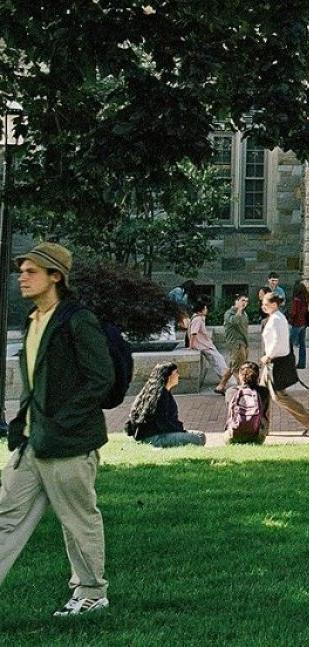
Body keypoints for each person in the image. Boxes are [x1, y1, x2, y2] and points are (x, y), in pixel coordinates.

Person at [0, 242, 112, 616]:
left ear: (56, 277)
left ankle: (92, 593)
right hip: (33, 443)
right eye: (21, 271)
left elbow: (100, 379)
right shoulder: (33, 320)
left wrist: (62, 421)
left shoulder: (76, 320)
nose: (23, 277)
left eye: (32, 271)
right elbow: (35, 384)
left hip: (69, 443)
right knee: (4, 514)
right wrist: (22, 424)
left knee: (77, 522)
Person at [260, 292, 309, 435]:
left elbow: (277, 341)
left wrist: (268, 356)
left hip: (275, 362)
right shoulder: (276, 318)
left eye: (266, 304)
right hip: (273, 362)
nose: (263, 307)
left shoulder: (276, 319)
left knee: (278, 396)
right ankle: (261, 426)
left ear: (274, 305)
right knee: (262, 395)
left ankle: (308, 418)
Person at [125, 364, 206, 448]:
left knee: (201, 435)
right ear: (168, 376)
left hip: (159, 433)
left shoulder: (163, 391)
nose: (178, 375)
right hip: (154, 437)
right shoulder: (159, 396)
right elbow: (163, 423)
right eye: (176, 373)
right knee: (198, 439)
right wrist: (180, 431)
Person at [224, 362, 271, 444]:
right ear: (258, 376)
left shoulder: (231, 391)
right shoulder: (264, 391)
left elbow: (230, 415)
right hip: (257, 438)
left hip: (233, 436)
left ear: (239, 375)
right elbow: (266, 416)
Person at [216, 294, 251, 394]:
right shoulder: (229, 313)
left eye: (246, 301)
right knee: (238, 369)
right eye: (242, 300)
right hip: (236, 344)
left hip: (243, 343)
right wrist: (239, 310)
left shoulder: (244, 314)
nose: (245, 303)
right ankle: (243, 389)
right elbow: (235, 322)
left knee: (233, 366)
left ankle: (221, 386)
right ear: (236, 301)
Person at [187, 299, 228, 385]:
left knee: (218, 360)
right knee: (218, 361)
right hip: (203, 345)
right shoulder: (197, 319)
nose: (207, 310)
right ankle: (224, 380)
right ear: (201, 309)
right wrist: (191, 346)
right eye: (205, 308)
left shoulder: (197, 317)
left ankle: (223, 379)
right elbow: (193, 333)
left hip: (205, 344)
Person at [289, 281, 309, 370]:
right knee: (302, 344)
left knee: (289, 344)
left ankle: (289, 363)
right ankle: (302, 363)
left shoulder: (296, 300)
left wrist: (289, 319)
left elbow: (293, 313)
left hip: (297, 324)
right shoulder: (307, 299)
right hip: (304, 324)